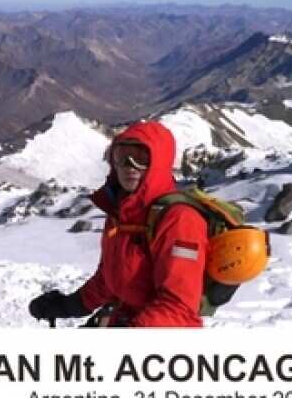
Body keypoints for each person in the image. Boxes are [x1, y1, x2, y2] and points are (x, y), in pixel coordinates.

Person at [26, 122, 207, 327]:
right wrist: (71, 305)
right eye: (122, 157)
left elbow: (178, 307)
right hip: (125, 318)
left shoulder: (180, 220)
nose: (130, 166)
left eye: (140, 158)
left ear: (159, 162)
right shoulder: (120, 215)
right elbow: (110, 279)